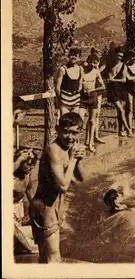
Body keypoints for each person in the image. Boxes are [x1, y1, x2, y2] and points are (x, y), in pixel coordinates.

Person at [29, 112, 87, 263]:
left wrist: (79, 159)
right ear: (57, 129)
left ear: (80, 132)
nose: (70, 137)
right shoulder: (53, 150)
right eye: (66, 131)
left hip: (55, 206)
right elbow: (63, 185)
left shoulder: (69, 148)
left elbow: (81, 179)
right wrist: (73, 159)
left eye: (75, 132)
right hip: (44, 207)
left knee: (46, 258)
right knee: (54, 258)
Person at [13, 148, 39, 254]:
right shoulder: (9, 178)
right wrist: (29, 248)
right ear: (19, 163)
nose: (31, 167)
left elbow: (30, 193)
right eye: (28, 164)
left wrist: (31, 211)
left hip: (18, 211)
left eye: (33, 164)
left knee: (45, 232)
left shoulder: (27, 173)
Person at [79, 59, 106, 152]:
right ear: (88, 62)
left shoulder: (96, 72)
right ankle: (78, 143)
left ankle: (90, 144)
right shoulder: (82, 71)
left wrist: (94, 90)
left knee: (92, 121)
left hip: (93, 97)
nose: (92, 64)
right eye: (90, 62)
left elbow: (103, 86)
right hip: (83, 98)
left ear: (96, 63)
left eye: (94, 62)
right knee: (79, 120)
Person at [106, 50, 133, 137]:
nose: (119, 57)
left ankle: (121, 131)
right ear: (115, 55)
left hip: (121, 90)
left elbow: (124, 79)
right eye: (118, 55)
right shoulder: (110, 64)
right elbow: (107, 76)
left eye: (121, 56)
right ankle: (128, 129)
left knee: (120, 112)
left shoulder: (123, 66)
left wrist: (113, 80)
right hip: (112, 90)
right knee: (121, 110)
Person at [55, 48, 83, 115]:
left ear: (79, 57)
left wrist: (77, 93)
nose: (73, 57)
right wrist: (60, 100)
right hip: (64, 99)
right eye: (71, 55)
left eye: (76, 55)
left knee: (74, 122)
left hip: (76, 99)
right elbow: (57, 88)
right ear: (68, 56)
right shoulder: (63, 69)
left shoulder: (80, 69)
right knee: (65, 121)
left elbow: (80, 85)